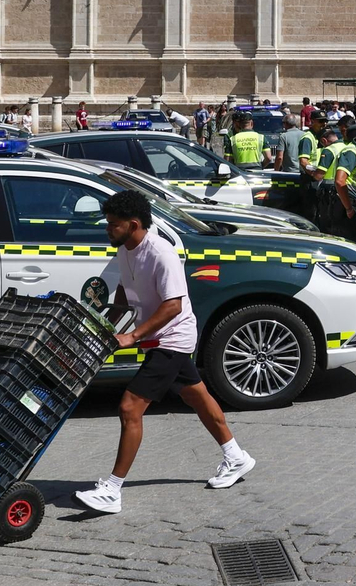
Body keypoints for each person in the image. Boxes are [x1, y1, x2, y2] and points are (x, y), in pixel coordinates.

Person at [75, 191, 255, 514]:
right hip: (158, 339)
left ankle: (112, 490)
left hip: (171, 339)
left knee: (130, 408)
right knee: (196, 396)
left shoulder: (162, 253)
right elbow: (124, 289)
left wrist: (132, 335)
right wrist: (108, 325)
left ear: (133, 224)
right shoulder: (125, 248)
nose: (107, 229)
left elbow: (173, 305)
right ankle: (236, 456)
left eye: (113, 225)